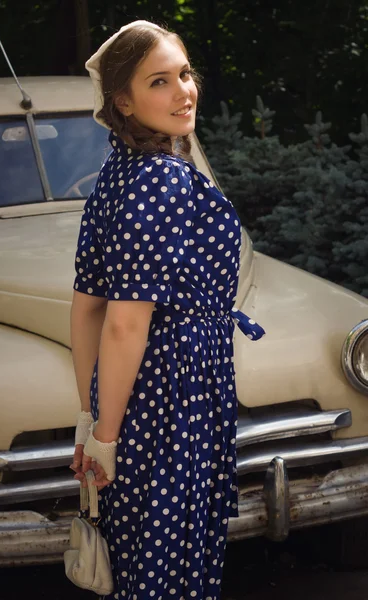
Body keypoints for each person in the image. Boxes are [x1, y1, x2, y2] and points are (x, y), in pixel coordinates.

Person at [69, 19, 265, 600]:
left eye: (185, 74)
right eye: (160, 81)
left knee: (139, 559)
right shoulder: (162, 180)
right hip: (176, 398)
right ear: (122, 101)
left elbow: (85, 310)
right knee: (171, 568)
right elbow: (125, 320)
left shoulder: (114, 175)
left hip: (136, 398)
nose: (183, 91)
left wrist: (94, 419)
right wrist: (104, 435)